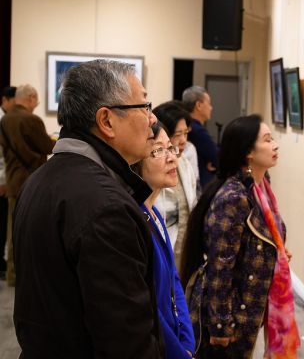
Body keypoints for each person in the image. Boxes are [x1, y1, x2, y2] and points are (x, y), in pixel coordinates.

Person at [12, 60, 163, 358]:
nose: (152, 118)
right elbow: (125, 340)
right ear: (106, 121)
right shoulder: (106, 206)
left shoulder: (40, 179)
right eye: (144, 106)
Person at [180, 114, 300, 359]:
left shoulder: (260, 186)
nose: (275, 145)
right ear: (248, 153)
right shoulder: (234, 197)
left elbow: (258, 239)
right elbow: (220, 266)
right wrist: (221, 325)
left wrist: (275, 253)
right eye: (267, 140)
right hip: (231, 312)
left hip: (249, 307)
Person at [132, 121, 195, 359]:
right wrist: (179, 352)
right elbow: (148, 307)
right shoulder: (135, 219)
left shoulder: (155, 213)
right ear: (136, 162)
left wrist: (188, 343)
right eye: (158, 150)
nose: (172, 158)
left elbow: (174, 283)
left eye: (171, 148)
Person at [0, 83, 54, 286]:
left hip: (14, 181)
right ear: (30, 97)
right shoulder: (31, 120)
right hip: (31, 182)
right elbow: (48, 146)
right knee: (30, 230)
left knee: (12, 230)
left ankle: (12, 274)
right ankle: (27, 275)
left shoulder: (5, 119)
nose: (36, 104)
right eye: (36, 100)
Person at [153, 101, 198, 269]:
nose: (183, 141)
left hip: (184, 254)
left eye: (185, 133)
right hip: (162, 255)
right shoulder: (150, 170)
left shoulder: (185, 164)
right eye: (177, 134)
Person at [182, 86, 217, 189]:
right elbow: (218, 158)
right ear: (199, 105)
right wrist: (214, 163)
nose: (211, 107)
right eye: (209, 103)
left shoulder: (191, 127)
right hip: (200, 186)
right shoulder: (197, 130)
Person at [0, 85, 15, 280]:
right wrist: (2, 181)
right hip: (3, 180)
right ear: (6, 100)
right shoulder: (3, 120)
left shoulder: (5, 119)